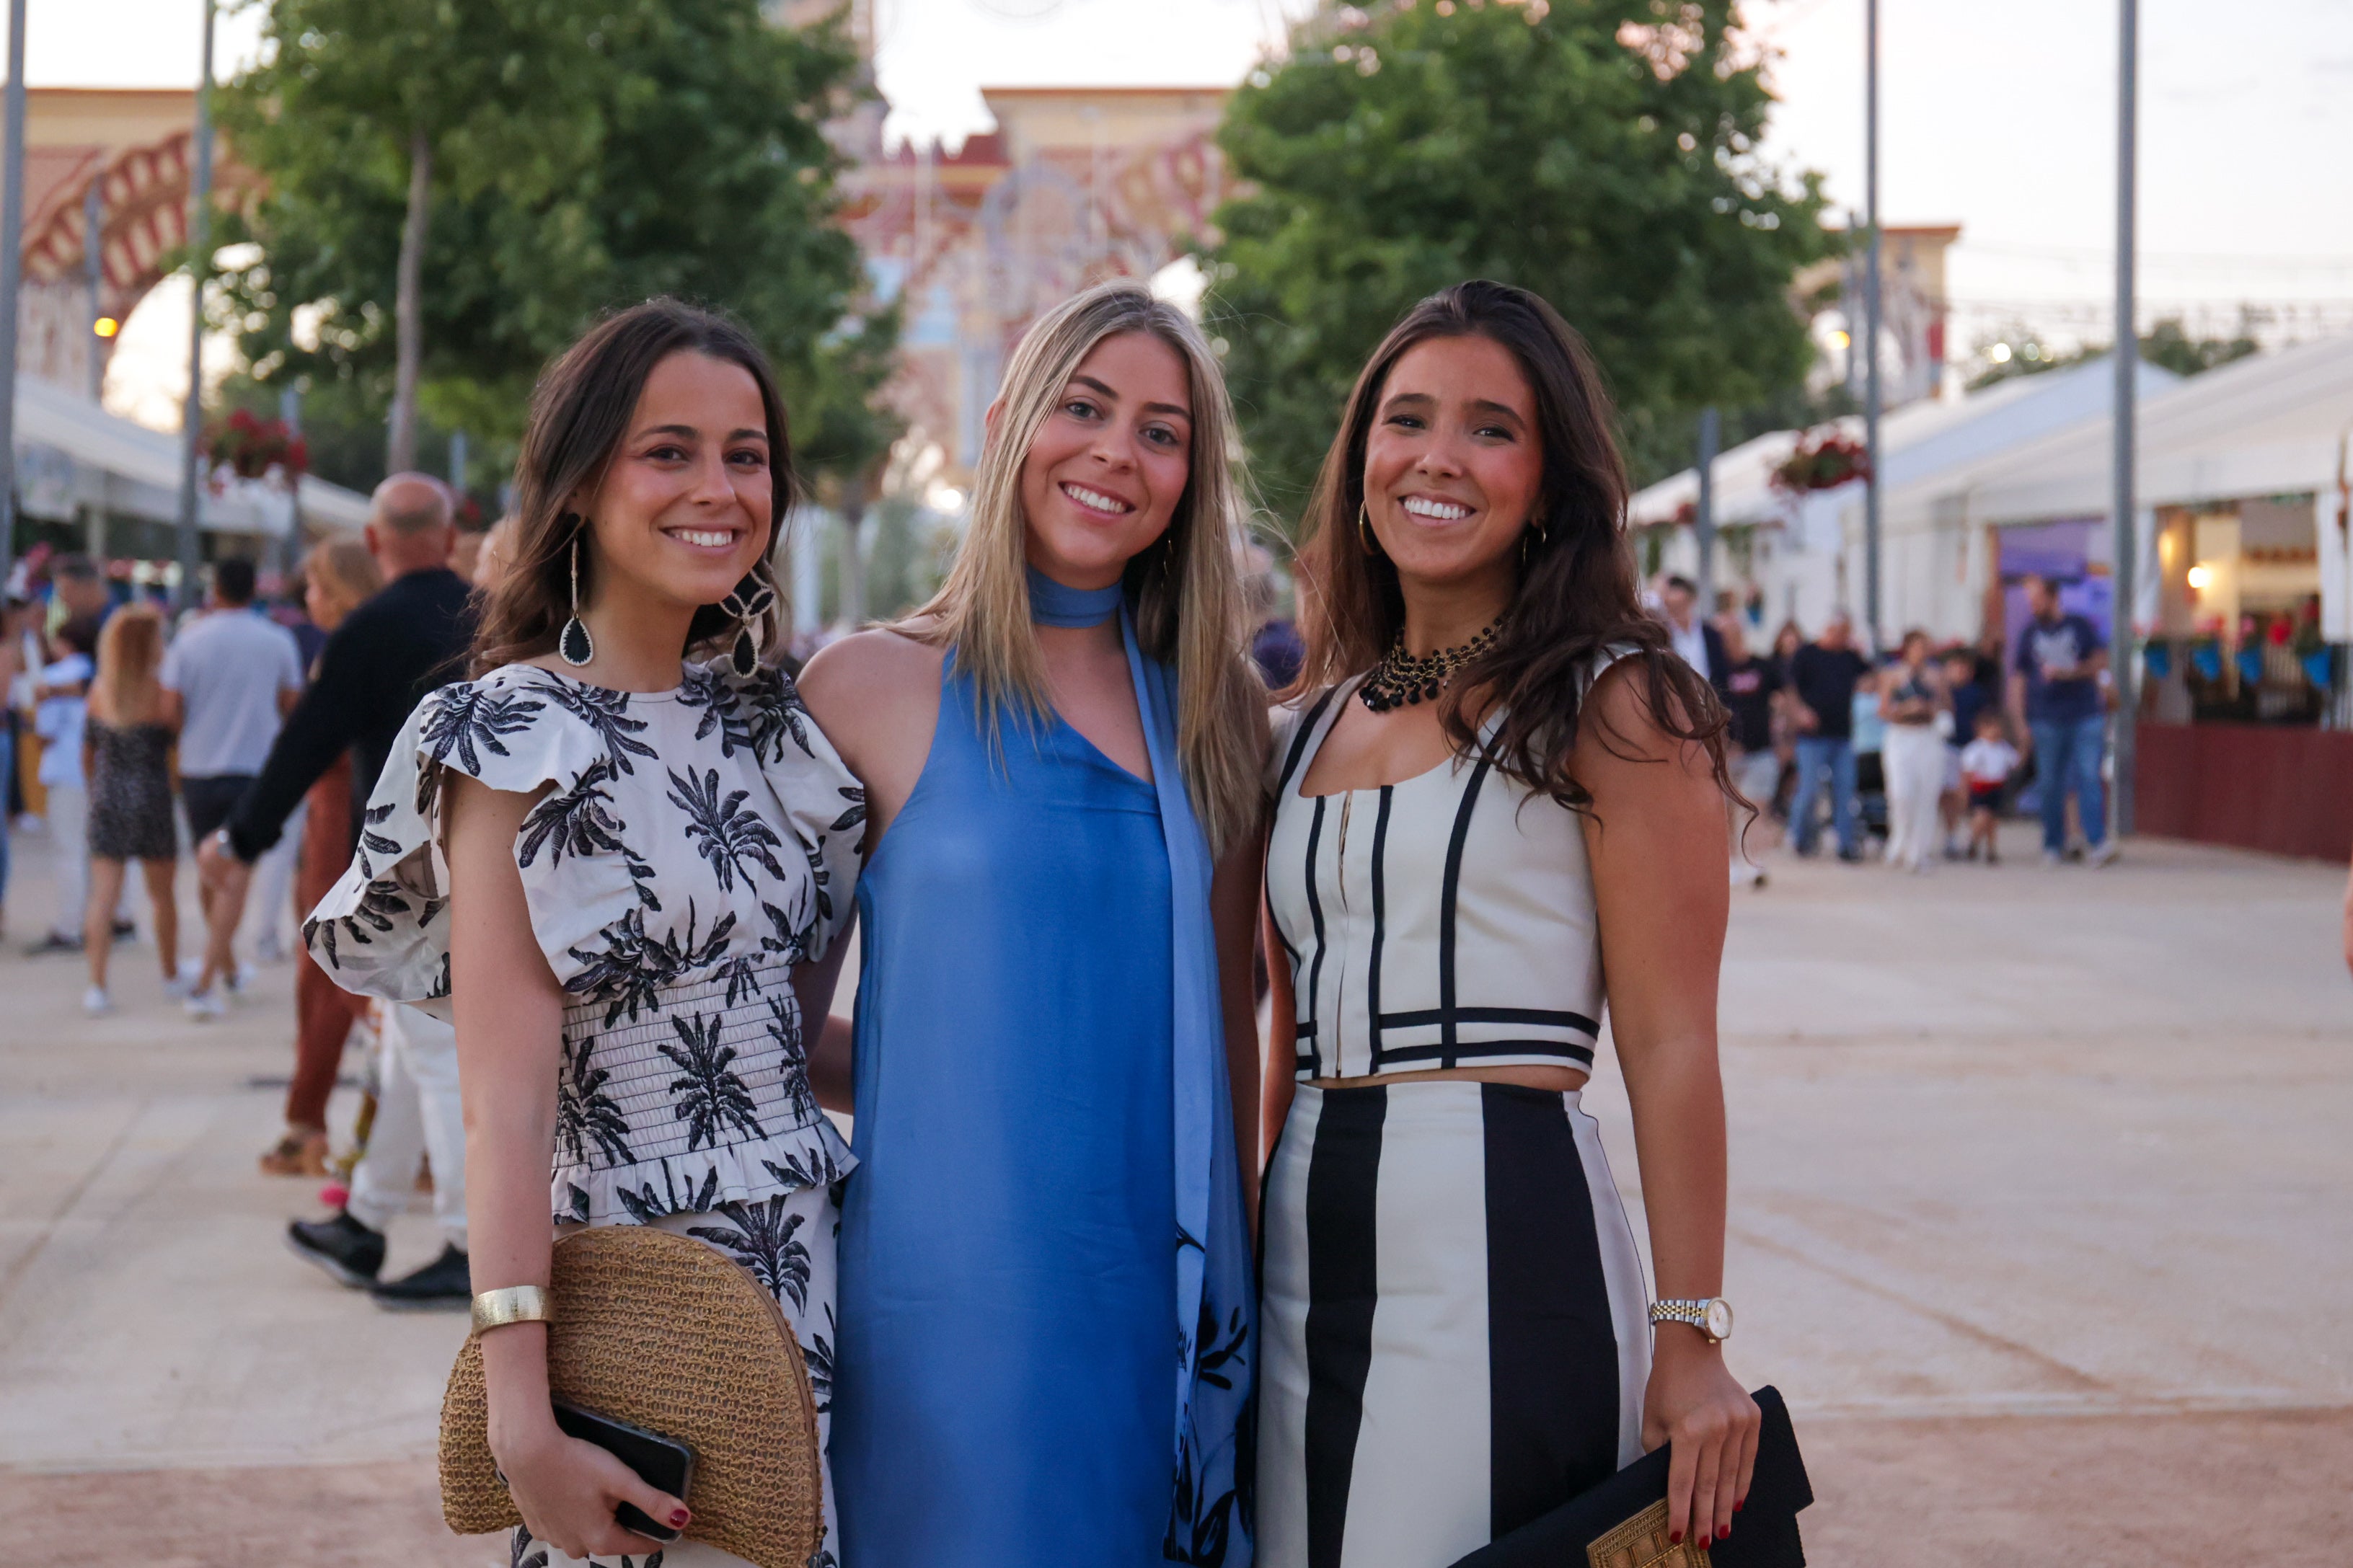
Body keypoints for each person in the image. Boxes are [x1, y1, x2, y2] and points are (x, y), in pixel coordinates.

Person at [305, 299, 860, 1564]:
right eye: (667, 451)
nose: (715, 488)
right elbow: (508, 1110)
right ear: (576, 482)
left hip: (820, 1272)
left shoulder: (771, 732)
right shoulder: (513, 736)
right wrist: (518, 1420)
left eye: (745, 454)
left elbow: (779, 1032)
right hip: (646, 1293)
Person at [1256, 281, 1757, 1566]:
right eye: (1404, 420)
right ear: (1361, 454)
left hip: (1501, 1242)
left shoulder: (1619, 706)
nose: (1435, 458)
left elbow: (1669, 1044)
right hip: (1301, 1248)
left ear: (1548, 483)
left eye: (1489, 429)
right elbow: (1276, 1033)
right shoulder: (1299, 724)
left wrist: (1689, 1338)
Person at [799, 281, 1265, 1568]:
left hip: (1165, 1306)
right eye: (1084, 407)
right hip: (942, 1307)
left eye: (1161, 431)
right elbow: (765, 1033)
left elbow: (1230, 1021)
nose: (1118, 451)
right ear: (1006, 424)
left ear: (1189, 477)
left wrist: (1250, 1293)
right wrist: (927, 1080)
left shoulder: (1214, 708)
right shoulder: (863, 686)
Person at [224, 477, 472, 1298]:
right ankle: (365, 1221)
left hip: (406, 869)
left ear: (374, 541)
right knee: (406, 1050)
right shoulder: (490, 615)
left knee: (433, 1054)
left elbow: (308, 739)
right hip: (483, 858)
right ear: (447, 534)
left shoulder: (368, 628)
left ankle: (470, 1247)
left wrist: (243, 837)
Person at [257, 536, 384, 1177]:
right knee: (342, 982)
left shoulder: (346, 651)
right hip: (337, 821)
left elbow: (313, 746)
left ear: (334, 592)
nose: (307, 599)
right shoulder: (372, 644)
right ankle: (346, 1127)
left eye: (313, 587)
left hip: (339, 824)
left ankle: (307, 1123)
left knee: (334, 980)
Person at [162, 557, 304, 1015]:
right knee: (234, 873)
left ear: (215, 589)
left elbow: (170, 711)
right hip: (255, 770)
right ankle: (217, 972)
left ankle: (210, 978)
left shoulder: (189, 640)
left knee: (213, 873)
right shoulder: (276, 640)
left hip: (200, 768)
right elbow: (293, 706)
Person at [79, 606, 183, 1014]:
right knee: (163, 897)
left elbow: (87, 753)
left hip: (109, 797)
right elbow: (177, 744)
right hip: (153, 797)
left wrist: (96, 790)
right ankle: (170, 974)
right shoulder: (164, 696)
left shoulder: (100, 692)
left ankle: (97, 984)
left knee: (103, 898)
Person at [2008, 574, 2116, 867]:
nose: (2033, 605)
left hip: (2084, 714)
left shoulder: (2079, 626)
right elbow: (2018, 679)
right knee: (2050, 783)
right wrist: (2019, 721)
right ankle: (2053, 843)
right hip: (2045, 717)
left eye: (2037, 599)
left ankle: (2097, 841)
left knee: (2088, 777)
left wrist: (2070, 672)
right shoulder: (2029, 633)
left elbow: (2100, 661)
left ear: (2053, 597)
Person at [29, 617, 99, 953]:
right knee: (94, 850)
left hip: (66, 771)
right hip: (98, 770)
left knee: (68, 851)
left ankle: (70, 925)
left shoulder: (54, 679)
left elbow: (45, 734)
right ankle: (106, 918)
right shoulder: (100, 674)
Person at [1785, 613, 1870, 861]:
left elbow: (1870, 676)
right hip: (1812, 737)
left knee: (1845, 790)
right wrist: (1800, 713)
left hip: (1842, 735)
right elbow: (1790, 689)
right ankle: (1801, 836)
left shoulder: (1850, 657)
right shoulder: (1807, 655)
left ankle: (1846, 844)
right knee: (1809, 789)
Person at [1717, 616, 1783, 887]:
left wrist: (1784, 737)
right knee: (1726, 811)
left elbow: (1782, 699)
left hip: (1760, 749)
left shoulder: (1763, 666)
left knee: (1756, 808)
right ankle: (1732, 862)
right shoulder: (1716, 670)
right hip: (1726, 752)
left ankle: (1755, 862)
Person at [1876, 629, 1948, 874]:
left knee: (1926, 795)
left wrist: (1929, 707)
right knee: (1901, 793)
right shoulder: (1893, 674)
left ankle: (1919, 851)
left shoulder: (1936, 675)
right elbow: (1883, 710)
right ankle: (1899, 840)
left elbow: (1946, 706)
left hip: (1926, 735)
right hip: (1901, 735)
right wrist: (1905, 709)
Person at [1938, 646, 1987, 859]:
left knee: (1964, 793)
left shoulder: (1976, 693)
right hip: (1947, 746)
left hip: (1969, 748)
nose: (1959, 672)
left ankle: (1968, 833)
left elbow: (1982, 720)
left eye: (1964, 668)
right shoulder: (1940, 692)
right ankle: (1950, 835)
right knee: (1948, 793)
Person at [1959, 709, 2020, 864]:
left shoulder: (2004, 748)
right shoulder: (1976, 749)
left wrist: (2025, 744)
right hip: (1981, 787)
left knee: (1993, 821)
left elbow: (2015, 762)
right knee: (1982, 815)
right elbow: (1968, 772)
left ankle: (1991, 849)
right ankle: (1972, 840)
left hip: (1997, 787)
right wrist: (1964, 793)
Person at [1659, 572, 1728, 688]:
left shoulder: (1710, 634)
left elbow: (1721, 671)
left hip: (1708, 699)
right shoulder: (1663, 636)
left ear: (1691, 599)